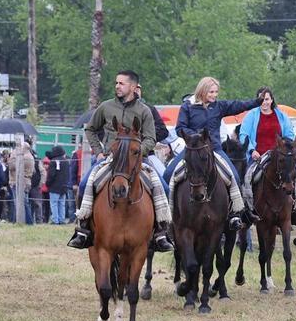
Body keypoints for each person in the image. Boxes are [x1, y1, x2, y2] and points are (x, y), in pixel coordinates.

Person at [68, 71, 173, 252]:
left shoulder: (144, 110)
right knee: (85, 183)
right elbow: (91, 129)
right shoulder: (105, 107)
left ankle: (160, 234)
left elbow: (151, 137)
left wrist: (139, 151)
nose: (117, 86)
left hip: (137, 160)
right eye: (116, 83)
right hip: (109, 159)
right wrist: (99, 152)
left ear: (133, 87)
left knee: (162, 187)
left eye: (121, 83)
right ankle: (83, 229)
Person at [172, 76, 263, 232]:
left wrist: (257, 102)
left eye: (216, 92)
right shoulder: (187, 107)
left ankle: (236, 214)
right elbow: (180, 128)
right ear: (203, 90)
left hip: (214, 149)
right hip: (193, 150)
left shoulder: (218, 106)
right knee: (168, 174)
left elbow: (237, 105)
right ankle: (171, 216)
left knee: (234, 175)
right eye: (211, 92)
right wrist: (195, 137)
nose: (214, 95)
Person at [238, 86, 296, 227]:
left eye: (267, 99)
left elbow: (289, 135)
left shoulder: (281, 115)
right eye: (261, 99)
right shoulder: (251, 115)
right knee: (247, 177)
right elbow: (243, 135)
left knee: (293, 175)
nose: (264, 102)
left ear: (272, 99)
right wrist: (251, 150)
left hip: (279, 156)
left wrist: (286, 147)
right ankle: (248, 210)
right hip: (259, 155)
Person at [45, 146, 69, 225]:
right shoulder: (66, 161)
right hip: (64, 186)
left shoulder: (53, 161)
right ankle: (62, 220)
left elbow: (51, 175)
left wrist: (48, 183)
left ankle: (55, 220)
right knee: (62, 204)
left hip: (54, 186)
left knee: (54, 203)